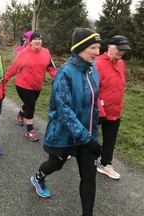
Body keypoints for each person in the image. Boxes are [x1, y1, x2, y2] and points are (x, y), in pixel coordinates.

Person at [30, 27, 102, 216]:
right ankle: (38, 177)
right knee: (56, 165)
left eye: (98, 47)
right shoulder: (65, 74)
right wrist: (86, 138)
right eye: (93, 48)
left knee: (89, 176)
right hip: (64, 134)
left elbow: (94, 101)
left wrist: (95, 127)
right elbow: (64, 111)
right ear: (80, 48)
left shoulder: (93, 71)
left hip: (87, 135)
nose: (98, 52)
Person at [4, 31, 57, 142]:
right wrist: (4, 81)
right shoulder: (23, 53)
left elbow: (50, 67)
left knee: (29, 104)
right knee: (31, 106)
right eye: (35, 39)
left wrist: (57, 79)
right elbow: (13, 69)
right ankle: (30, 131)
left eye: (39, 39)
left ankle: (20, 114)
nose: (37, 41)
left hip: (37, 86)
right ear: (30, 41)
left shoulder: (46, 52)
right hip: (23, 85)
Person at [95, 35, 131, 180]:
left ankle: (105, 164)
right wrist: (100, 110)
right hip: (98, 111)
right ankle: (68, 151)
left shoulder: (121, 63)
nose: (122, 52)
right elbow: (92, 90)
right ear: (110, 46)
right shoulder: (97, 63)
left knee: (110, 139)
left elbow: (120, 85)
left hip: (115, 109)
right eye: (119, 48)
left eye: (124, 50)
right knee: (86, 135)